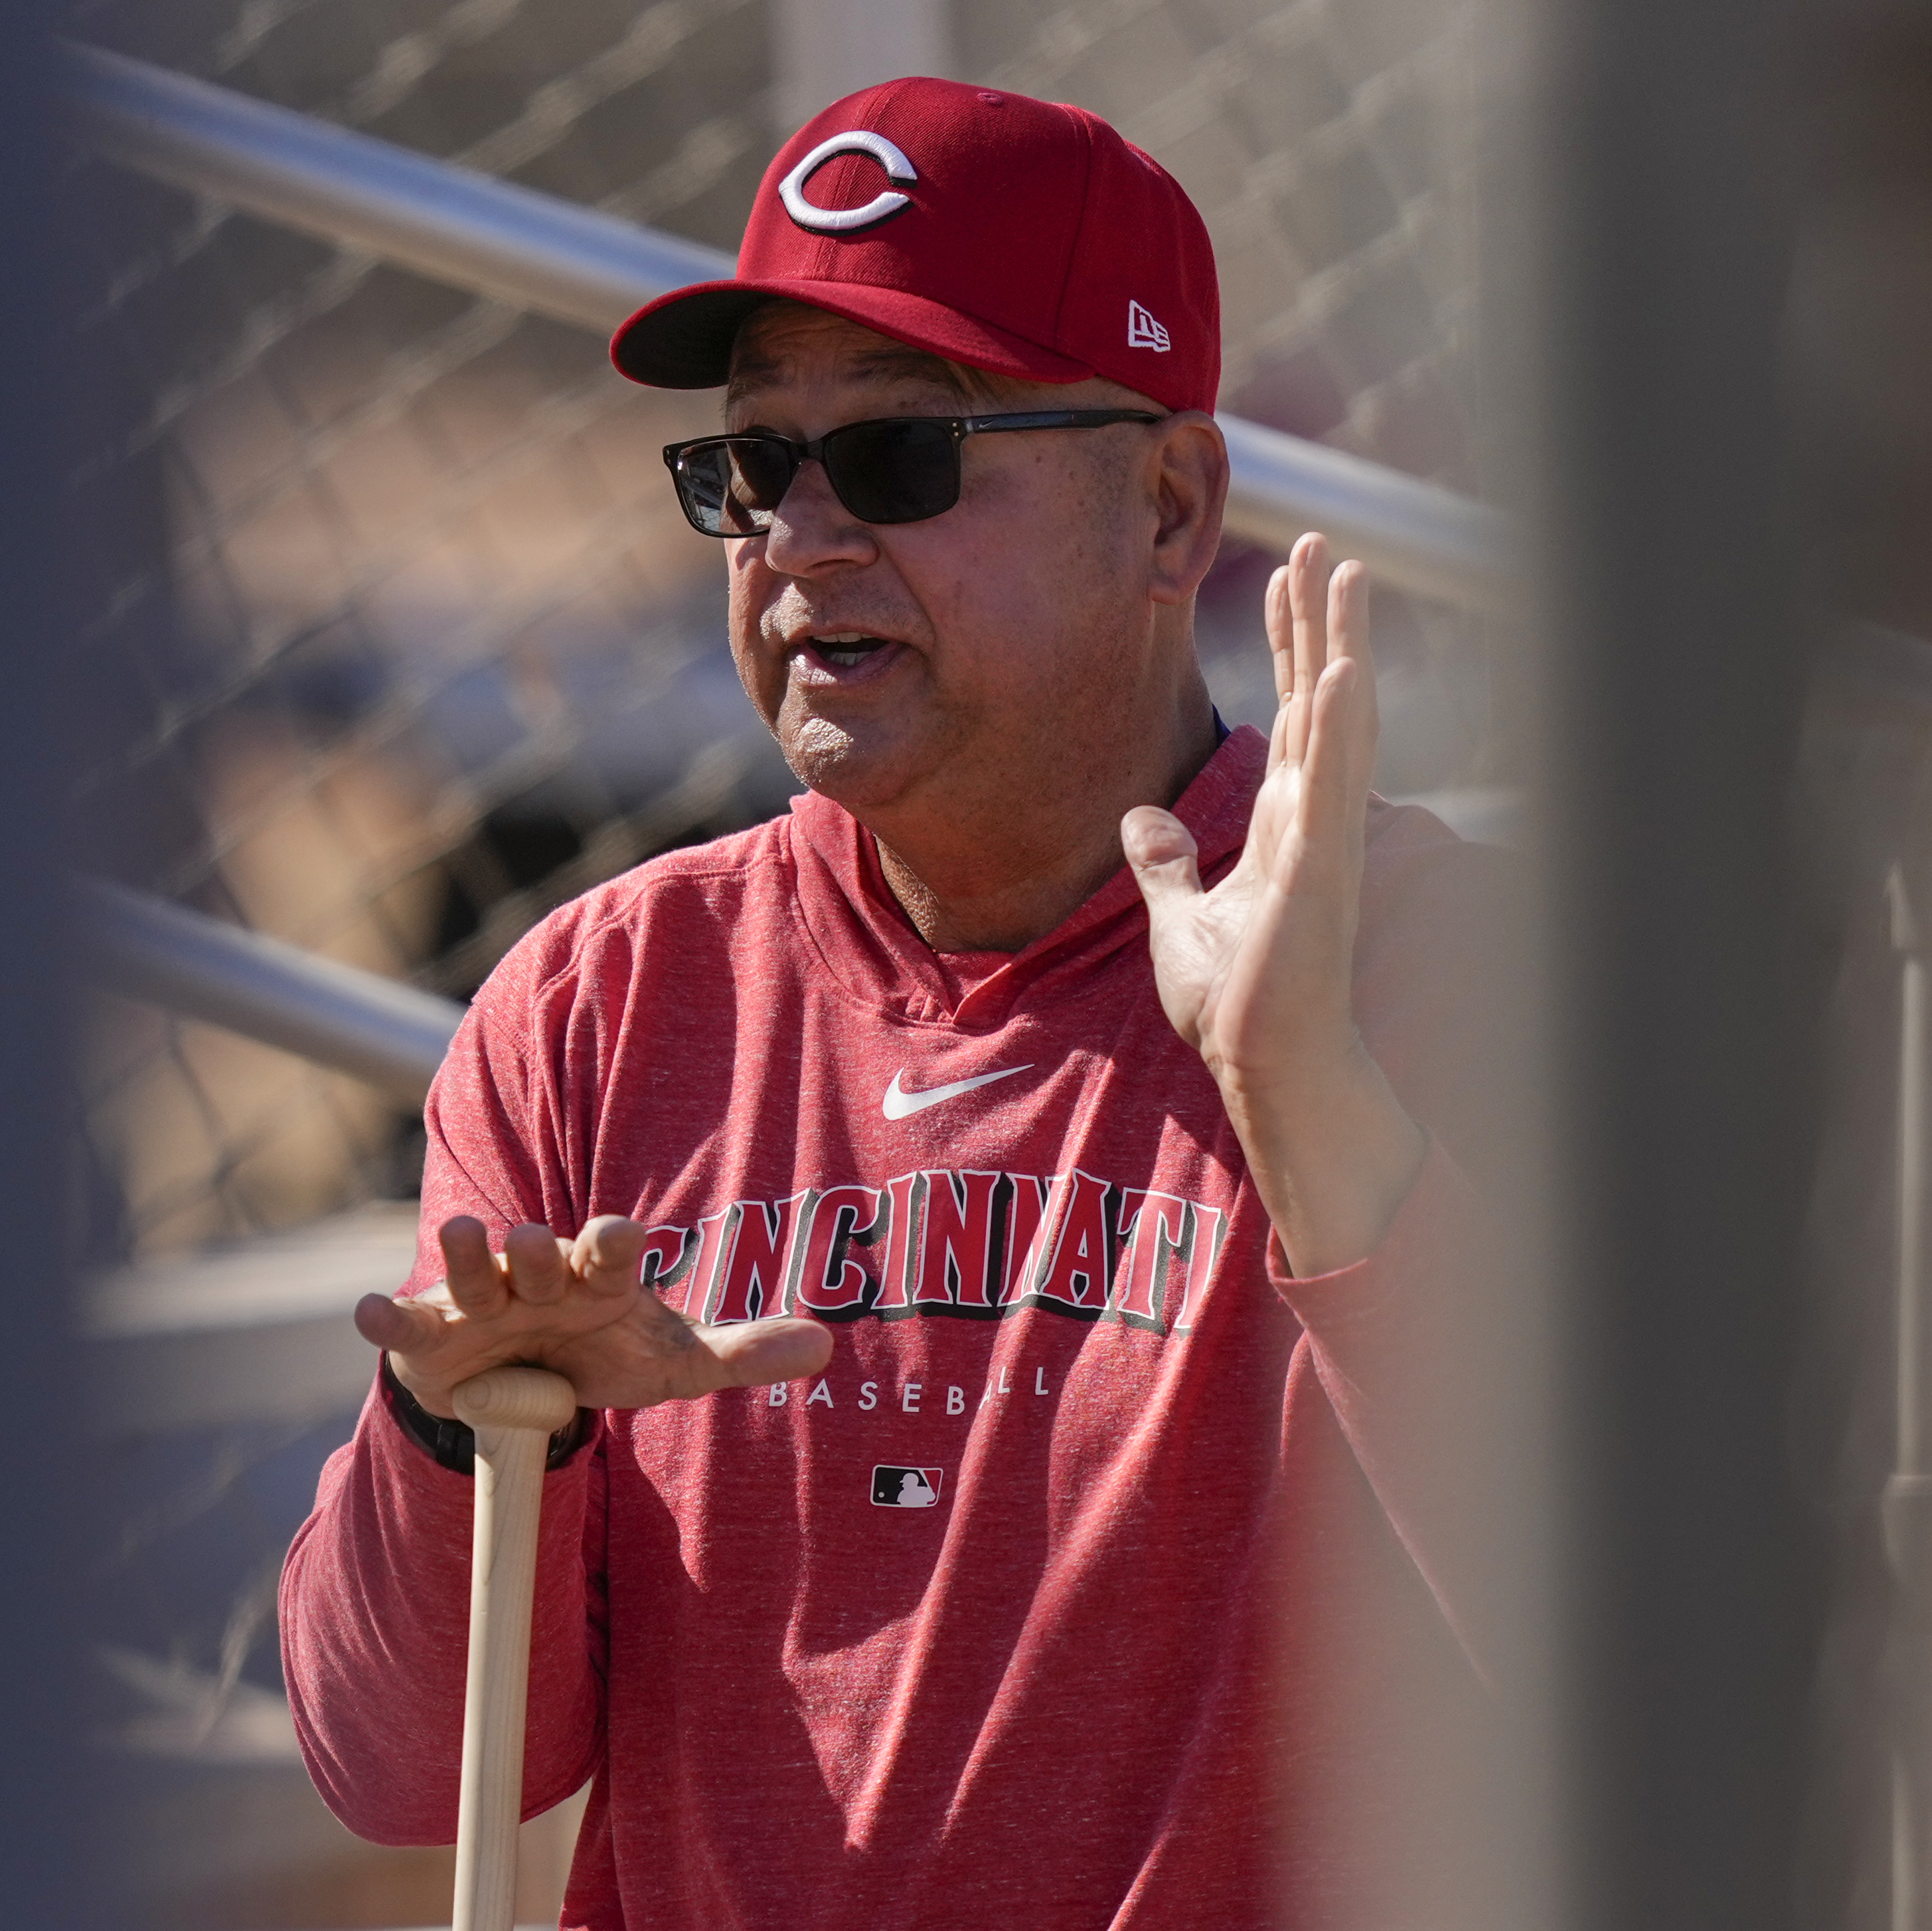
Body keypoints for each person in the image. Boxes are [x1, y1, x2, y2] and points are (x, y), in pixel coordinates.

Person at [280, 76, 1508, 1928]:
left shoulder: (1433, 962)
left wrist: (1305, 1099)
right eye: (749, 465)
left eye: (902, 459)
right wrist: (459, 1432)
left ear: (1169, 506)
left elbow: (1635, 1647)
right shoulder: (598, 1005)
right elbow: (392, 1763)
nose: (797, 537)